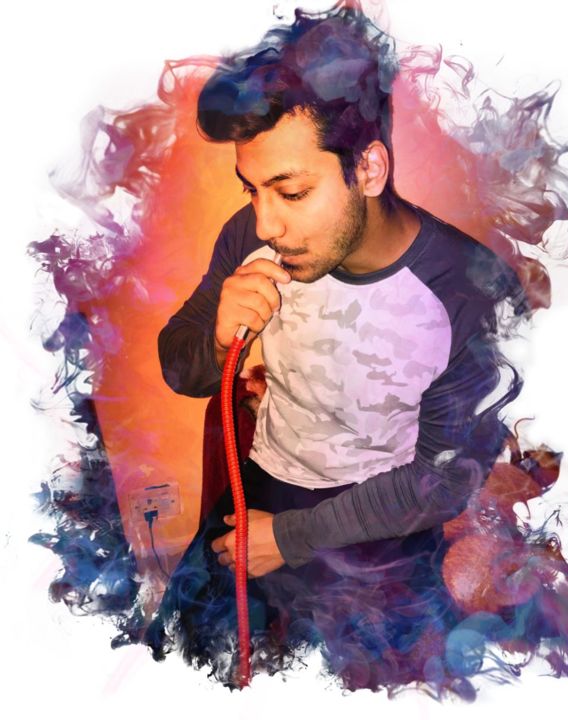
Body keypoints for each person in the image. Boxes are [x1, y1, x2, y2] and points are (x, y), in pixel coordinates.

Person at [146, 3, 528, 691]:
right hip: (256, 489)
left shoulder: (473, 292)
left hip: (381, 535)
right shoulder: (248, 234)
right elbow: (181, 368)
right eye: (253, 190)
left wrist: (289, 539)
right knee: (168, 669)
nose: (266, 222)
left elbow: (442, 483)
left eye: (291, 192)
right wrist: (217, 333)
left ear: (370, 168)